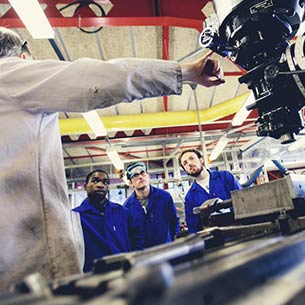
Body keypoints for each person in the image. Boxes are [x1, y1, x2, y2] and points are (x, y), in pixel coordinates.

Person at [0, 26, 224, 291]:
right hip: (28, 270)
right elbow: (97, 78)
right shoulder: (11, 74)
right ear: (23, 57)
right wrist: (185, 73)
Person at [72, 170, 133, 272]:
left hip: (123, 272)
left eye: (105, 182)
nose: (100, 185)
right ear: (85, 186)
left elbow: (134, 239)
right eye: (95, 181)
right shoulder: (75, 216)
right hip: (93, 276)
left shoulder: (122, 212)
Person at [179, 149, 242, 233]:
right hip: (215, 239)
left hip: (239, 230)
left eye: (192, 158)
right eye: (185, 163)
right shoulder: (190, 197)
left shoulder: (225, 177)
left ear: (201, 160)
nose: (189, 164)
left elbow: (242, 201)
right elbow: (193, 228)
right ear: (185, 170)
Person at [124, 162, 180, 249]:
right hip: (143, 257)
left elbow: (174, 222)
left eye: (142, 173)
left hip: (166, 251)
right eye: (135, 175)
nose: (140, 176)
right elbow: (129, 235)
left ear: (148, 176)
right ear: (131, 183)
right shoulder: (127, 207)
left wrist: (170, 243)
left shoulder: (164, 197)